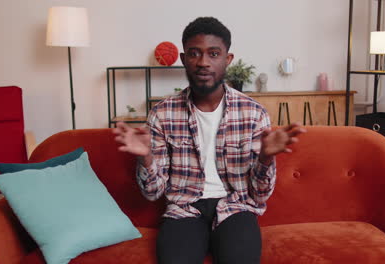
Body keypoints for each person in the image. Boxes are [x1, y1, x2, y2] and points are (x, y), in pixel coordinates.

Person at [113, 17, 306, 264]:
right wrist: (146, 157)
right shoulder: (162, 114)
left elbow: (259, 196)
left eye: (213, 54)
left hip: (236, 207)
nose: (203, 62)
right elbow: (153, 193)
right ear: (184, 59)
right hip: (184, 209)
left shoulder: (254, 113)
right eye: (194, 53)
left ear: (228, 59)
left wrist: (266, 157)